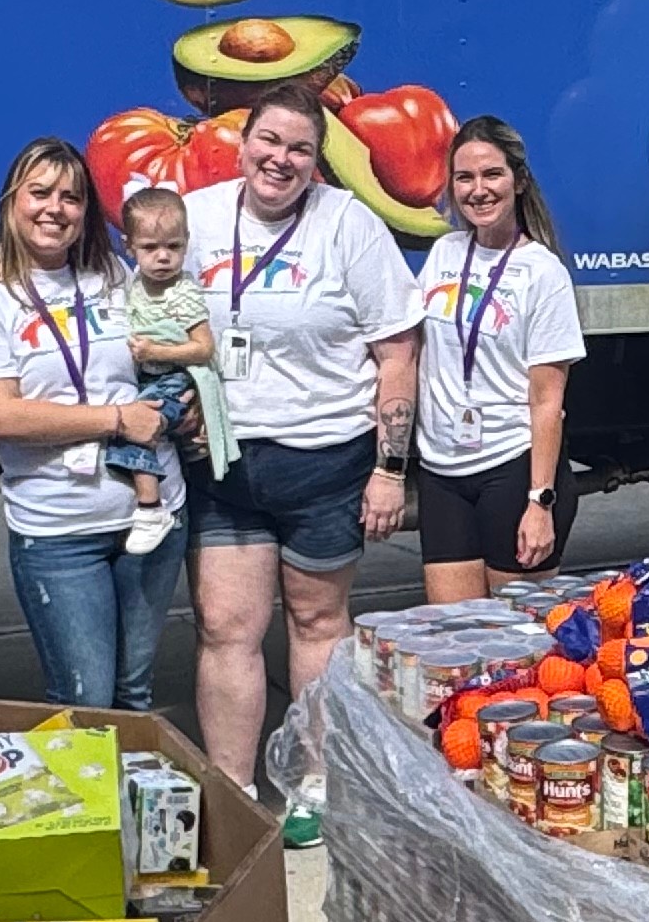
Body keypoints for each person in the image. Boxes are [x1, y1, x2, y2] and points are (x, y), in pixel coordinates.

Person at [182, 90, 418, 805]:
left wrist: (389, 470)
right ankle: (234, 791)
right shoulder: (195, 219)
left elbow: (398, 353)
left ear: (317, 163)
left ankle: (315, 784)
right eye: (269, 141)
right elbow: (151, 322)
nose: (280, 159)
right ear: (242, 143)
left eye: (299, 149)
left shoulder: (348, 224)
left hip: (325, 463)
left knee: (315, 622)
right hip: (223, 465)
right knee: (226, 628)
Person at [0, 138, 177, 709]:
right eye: (40, 193)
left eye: (71, 197)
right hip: (58, 530)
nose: (55, 208)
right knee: (85, 700)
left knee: (135, 694)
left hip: (152, 513)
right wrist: (117, 420)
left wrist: (181, 405)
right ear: (10, 203)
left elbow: (155, 362)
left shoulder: (111, 275)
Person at [413, 116, 585, 603]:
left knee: (515, 637)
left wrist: (540, 502)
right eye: (464, 177)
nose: (478, 190)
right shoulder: (444, 253)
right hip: (443, 470)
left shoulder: (543, 273)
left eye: (492, 174)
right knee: (453, 634)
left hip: (512, 467)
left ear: (519, 181)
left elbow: (547, 401)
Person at [110, 185, 229, 558]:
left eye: (173, 247)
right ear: (129, 247)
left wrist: (155, 351)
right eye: (150, 248)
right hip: (146, 375)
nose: (163, 257)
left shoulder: (183, 293)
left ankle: (151, 509)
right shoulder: (134, 285)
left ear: (187, 243)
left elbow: (203, 347)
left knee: (137, 429)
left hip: (174, 377)